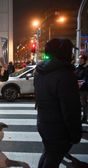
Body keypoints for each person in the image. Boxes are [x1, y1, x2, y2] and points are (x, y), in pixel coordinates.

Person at [34, 38, 82, 168]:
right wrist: (75, 132)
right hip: (58, 127)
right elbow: (71, 109)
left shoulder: (40, 71)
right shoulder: (65, 75)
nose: (72, 54)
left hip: (43, 122)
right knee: (53, 158)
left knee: (48, 153)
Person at [75, 55, 88, 123]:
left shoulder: (86, 68)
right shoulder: (77, 67)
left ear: (84, 60)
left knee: (84, 104)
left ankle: (85, 118)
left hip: (83, 89)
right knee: (77, 104)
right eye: (79, 59)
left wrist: (81, 82)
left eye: (80, 59)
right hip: (76, 89)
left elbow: (86, 78)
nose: (79, 60)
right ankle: (78, 117)